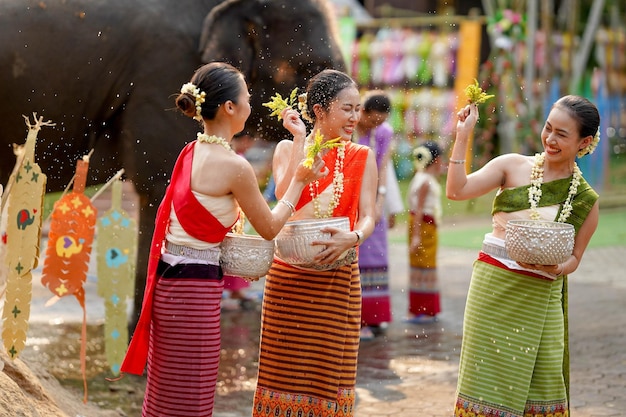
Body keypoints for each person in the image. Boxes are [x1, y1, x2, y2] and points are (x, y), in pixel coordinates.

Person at [119, 62, 326, 417]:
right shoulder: (235, 166)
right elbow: (271, 227)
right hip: (194, 291)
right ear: (230, 107)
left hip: (171, 283)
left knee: (167, 390)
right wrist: (302, 181)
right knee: (192, 393)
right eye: (246, 97)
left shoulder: (190, 152)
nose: (250, 102)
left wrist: (300, 140)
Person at [447, 95, 600, 416]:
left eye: (562, 134)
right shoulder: (512, 166)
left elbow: (574, 260)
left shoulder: (586, 199)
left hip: (541, 297)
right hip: (492, 292)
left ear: (584, 142)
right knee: (483, 382)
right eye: (548, 128)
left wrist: (556, 266)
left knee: (543, 382)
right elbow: (457, 190)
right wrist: (463, 135)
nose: (550, 139)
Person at [252, 69, 378, 417]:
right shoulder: (287, 147)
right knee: (282, 372)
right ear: (320, 110)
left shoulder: (362, 156)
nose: (355, 117)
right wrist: (299, 140)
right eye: (347, 109)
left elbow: (369, 215)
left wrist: (353, 237)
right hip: (288, 278)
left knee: (328, 375)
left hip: (338, 279)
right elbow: (282, 193)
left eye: (358, 109)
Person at [353, 90, 394, 340]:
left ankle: (374, 316)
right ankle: (356, 320)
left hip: (373, 202)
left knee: (375, 256)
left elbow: (383, 168)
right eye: (373, 120)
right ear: (363, 112)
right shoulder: (351, 127)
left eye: (381, 121)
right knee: (355, 257)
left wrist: (379, 203)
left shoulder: (384, 133)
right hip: (351, 201)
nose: (376, 125)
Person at [406, 140, 443, 324]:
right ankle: (421, 309)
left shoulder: (421, 177)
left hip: (425, 227)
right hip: (422, 227)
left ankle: (424, 308)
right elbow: (419, 209)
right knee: (423, 266)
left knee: (424, 266)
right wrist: (416, 236)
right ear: (435, 160)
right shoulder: (425, 181)